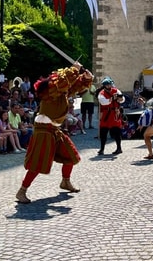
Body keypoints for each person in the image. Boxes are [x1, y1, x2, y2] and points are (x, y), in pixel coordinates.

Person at [15, 63, 94, 204]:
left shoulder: (61, 93)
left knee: (70, 155)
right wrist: (74, 69)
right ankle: (22, 191)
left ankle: (65, 181)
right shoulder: (49, 92)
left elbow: (74, 86)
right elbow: (63, 81)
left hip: (55, 130)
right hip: (43, 131)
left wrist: (85, 78)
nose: (64, 85)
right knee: (38, 163)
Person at [96, 77, 125, 156]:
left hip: (115, 113)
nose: (109, 86)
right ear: (105, 85)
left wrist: (120, 99)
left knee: (117, 132)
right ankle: (102, 149)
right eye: (107, 85)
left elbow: (122, 99)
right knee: (103, 132)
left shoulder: (116, 90)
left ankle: (119, 148)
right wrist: (112, 98)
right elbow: (103, 102)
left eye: (110, 84)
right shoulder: (101, 93)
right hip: (106, 114)